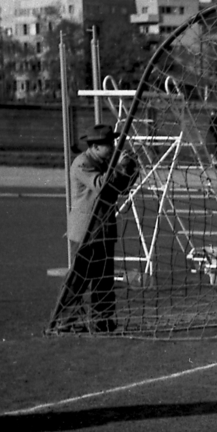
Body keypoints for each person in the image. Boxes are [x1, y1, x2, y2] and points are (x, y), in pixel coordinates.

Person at [55, 124, 138, 333]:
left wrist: (129, 166)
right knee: (79, 278)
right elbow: (102, 185)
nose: (113, 146)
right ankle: (67, 320)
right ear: (95, 146)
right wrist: (119, 166)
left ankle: (103, 321)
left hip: (104, 228)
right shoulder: (82, 163)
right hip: (86, 231)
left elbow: (123, 187)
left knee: (104, 281)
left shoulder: (106, 162)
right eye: (108, 143)